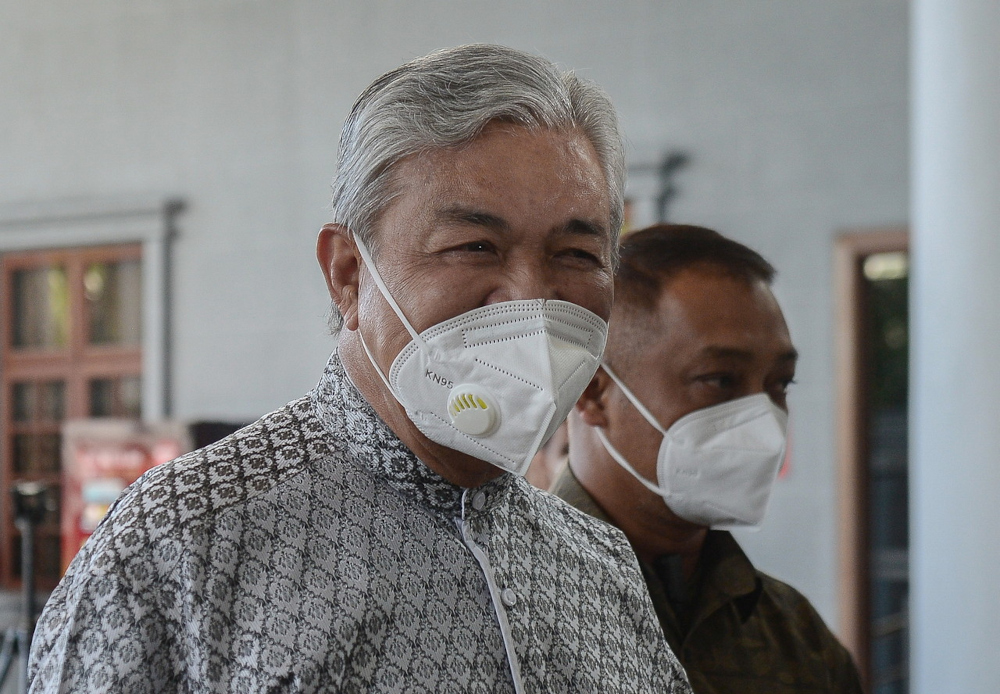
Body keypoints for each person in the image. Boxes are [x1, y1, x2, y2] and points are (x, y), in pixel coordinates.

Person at [28, 46, 691, 693]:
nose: (530, 299)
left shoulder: (598, 567)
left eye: (576, 254)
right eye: (475, 246)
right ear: (348, 273)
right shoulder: (180, 542)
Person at [554, 224, 864, 694]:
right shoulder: (505, 603)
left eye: (779, 384)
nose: (763, 419)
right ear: (592, 392)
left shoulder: (798, 639)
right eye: (720, 380)